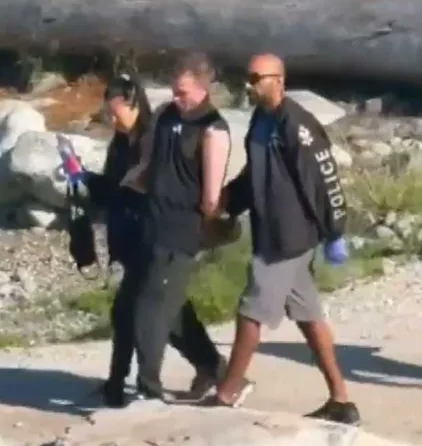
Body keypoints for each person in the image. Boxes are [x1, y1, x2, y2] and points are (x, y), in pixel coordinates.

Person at [206, 53, 360, 425]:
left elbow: (324, 180)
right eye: (248, 77)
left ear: (279, 80)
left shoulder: (298, 125)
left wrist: (335, 230)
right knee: (309, 316)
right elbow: (254, 175)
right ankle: (341, 400)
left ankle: (228, 392)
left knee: (252, 309)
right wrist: (227, 201)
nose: (249, 84)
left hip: (288, 236)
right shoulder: (261, 121)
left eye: (256, 77)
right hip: (270, 230)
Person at [86, 71, 226, 407]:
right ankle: (211, 368)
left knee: (143, 313)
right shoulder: (122, 142)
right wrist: (85, 179)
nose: (111, 119)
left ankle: (137, 385)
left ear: (133, 104)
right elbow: (114, 188)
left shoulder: (152, 137)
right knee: (157, 313)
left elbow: (151, 187)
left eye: (115, 111)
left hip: (156, 237)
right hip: (135, 240)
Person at [120, 52, 232, 400]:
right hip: (151, 223)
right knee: (170, 306)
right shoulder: (166, 116)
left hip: (180, 230)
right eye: (174, 90)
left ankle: (148, 387)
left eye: (183, 92)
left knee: (150, 306)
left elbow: (211, 196)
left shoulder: (213, 129)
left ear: (202, 88)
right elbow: (147, 163)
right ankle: (213, 367)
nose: (176, 97)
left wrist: (209, 225)